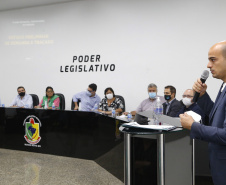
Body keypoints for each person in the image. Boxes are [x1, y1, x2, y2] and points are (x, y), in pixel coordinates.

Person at [180, 41, 226, 185]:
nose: (208, 65)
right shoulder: (223, 85)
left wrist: (193, 126)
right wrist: (202, 95)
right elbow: (216, 115)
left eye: (213, 59)